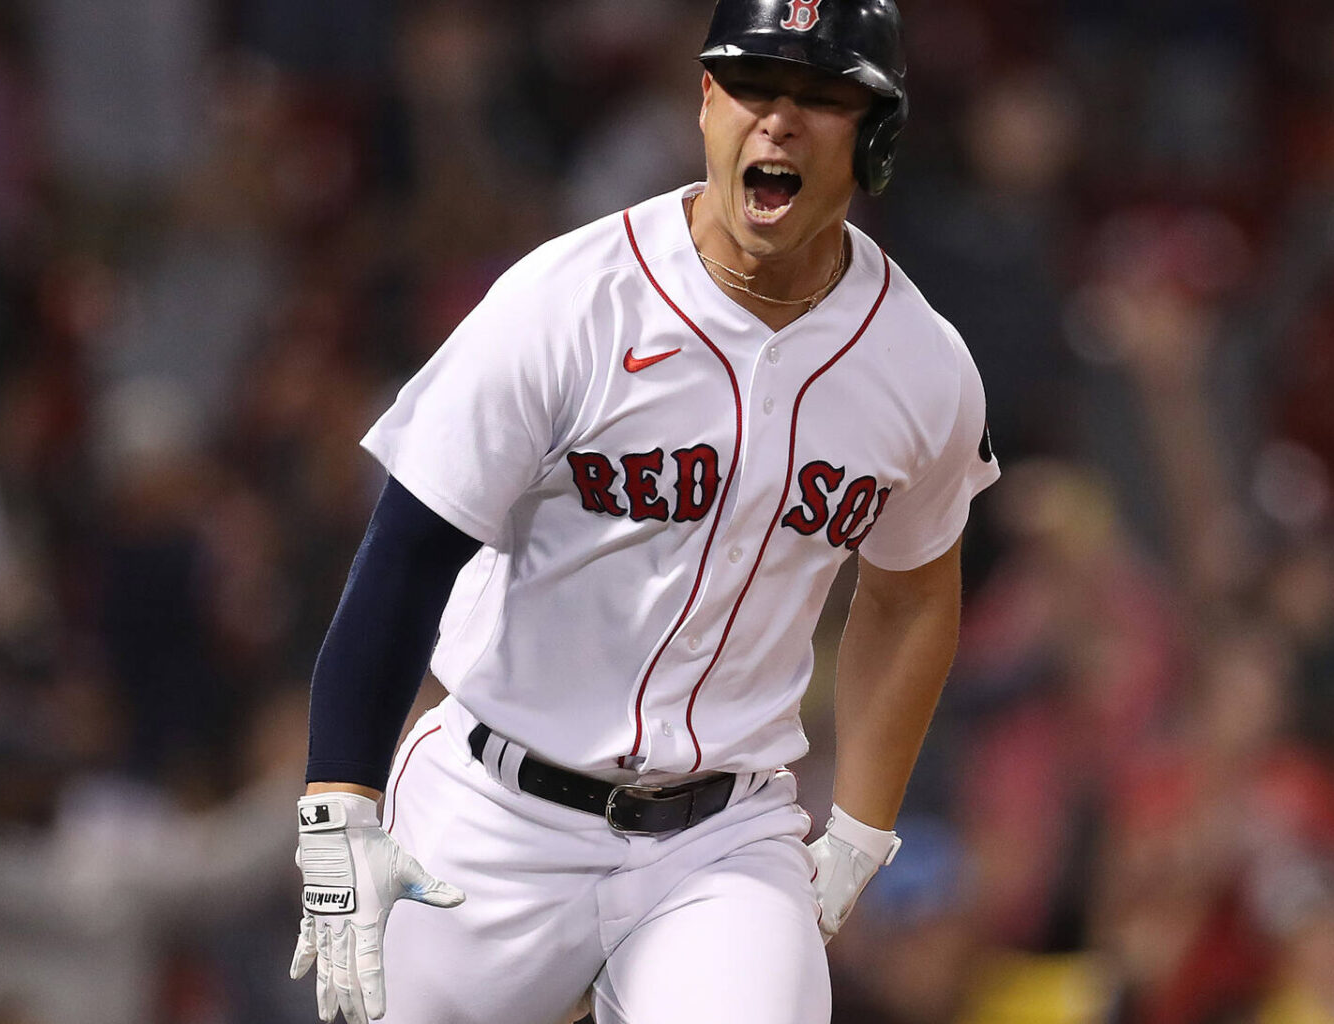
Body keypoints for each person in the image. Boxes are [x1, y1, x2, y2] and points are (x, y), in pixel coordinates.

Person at [287, 2, 998, 1021]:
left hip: (721, 839)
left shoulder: (920, 364)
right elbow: (407, 552)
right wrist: (340, 797)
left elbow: (913, 590)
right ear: (705, 102)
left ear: (877, 133)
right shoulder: (568, 300)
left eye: (819, 96)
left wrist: (860, 825)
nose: (778, 119)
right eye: (751, 85)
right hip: (490, 817)